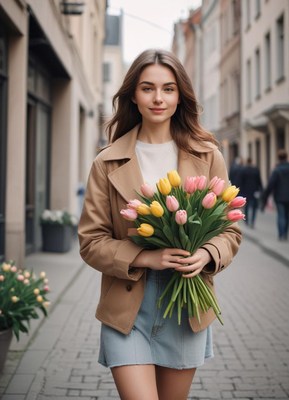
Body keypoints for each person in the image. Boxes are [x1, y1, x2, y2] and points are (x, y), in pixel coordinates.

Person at [78, 49, 242, 400]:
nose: (158, 98)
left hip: (185, 306)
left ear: (180, 95)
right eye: (147, 88)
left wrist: (207, 253)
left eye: (168, 89)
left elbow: (231, 230)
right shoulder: (107, 162)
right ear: (133, 96)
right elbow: (91, 242)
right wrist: (144, 257)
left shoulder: (208, 154)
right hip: (127, 307)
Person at [261, 149, 289, 241]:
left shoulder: (277, 170)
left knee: (281, 215)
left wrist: (265, 197)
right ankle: (285, 233)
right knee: (287, 215)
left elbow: (270, 185)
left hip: (279, 197)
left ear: (278, 158)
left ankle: (281, 235)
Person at [240, 157, 263, 228]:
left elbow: (241, 181)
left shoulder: (243, 170)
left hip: (246, 191)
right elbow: (259, 180)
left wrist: (241, 191)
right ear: (252, 161)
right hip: (254, 191)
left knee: (246, 206)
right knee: (254, 207)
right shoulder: (256, 170)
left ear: (247, 162)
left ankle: (246, 220)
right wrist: (261, 189)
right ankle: (252, 222)